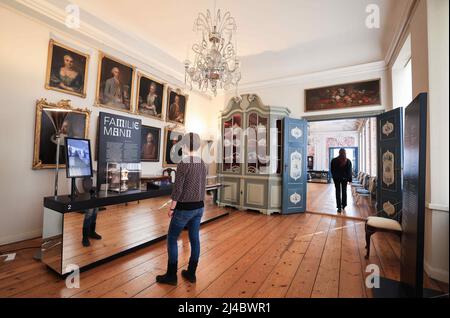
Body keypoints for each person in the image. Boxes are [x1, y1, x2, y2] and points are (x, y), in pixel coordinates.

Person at [156, 132, 207, 285]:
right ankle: (191, 273)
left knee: (172, 238)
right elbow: (202, 186)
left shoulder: (184, 163)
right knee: (194, 239)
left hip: (184, 209)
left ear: (184, 145)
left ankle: (171, 276)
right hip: (199, 208)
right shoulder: (203, 163)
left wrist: (171, 208)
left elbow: (177, 190)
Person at [330, 148, 353, 213]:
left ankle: (339, 207)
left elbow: (332, 170)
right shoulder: (348, 161)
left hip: (336, 178)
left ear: (339, 153)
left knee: (337, 192)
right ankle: (344, 205)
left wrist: (334, 177)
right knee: (344, 191)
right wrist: (350, 180)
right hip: (344, 179)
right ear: (345, 153)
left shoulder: (334, 160)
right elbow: (349, 171)